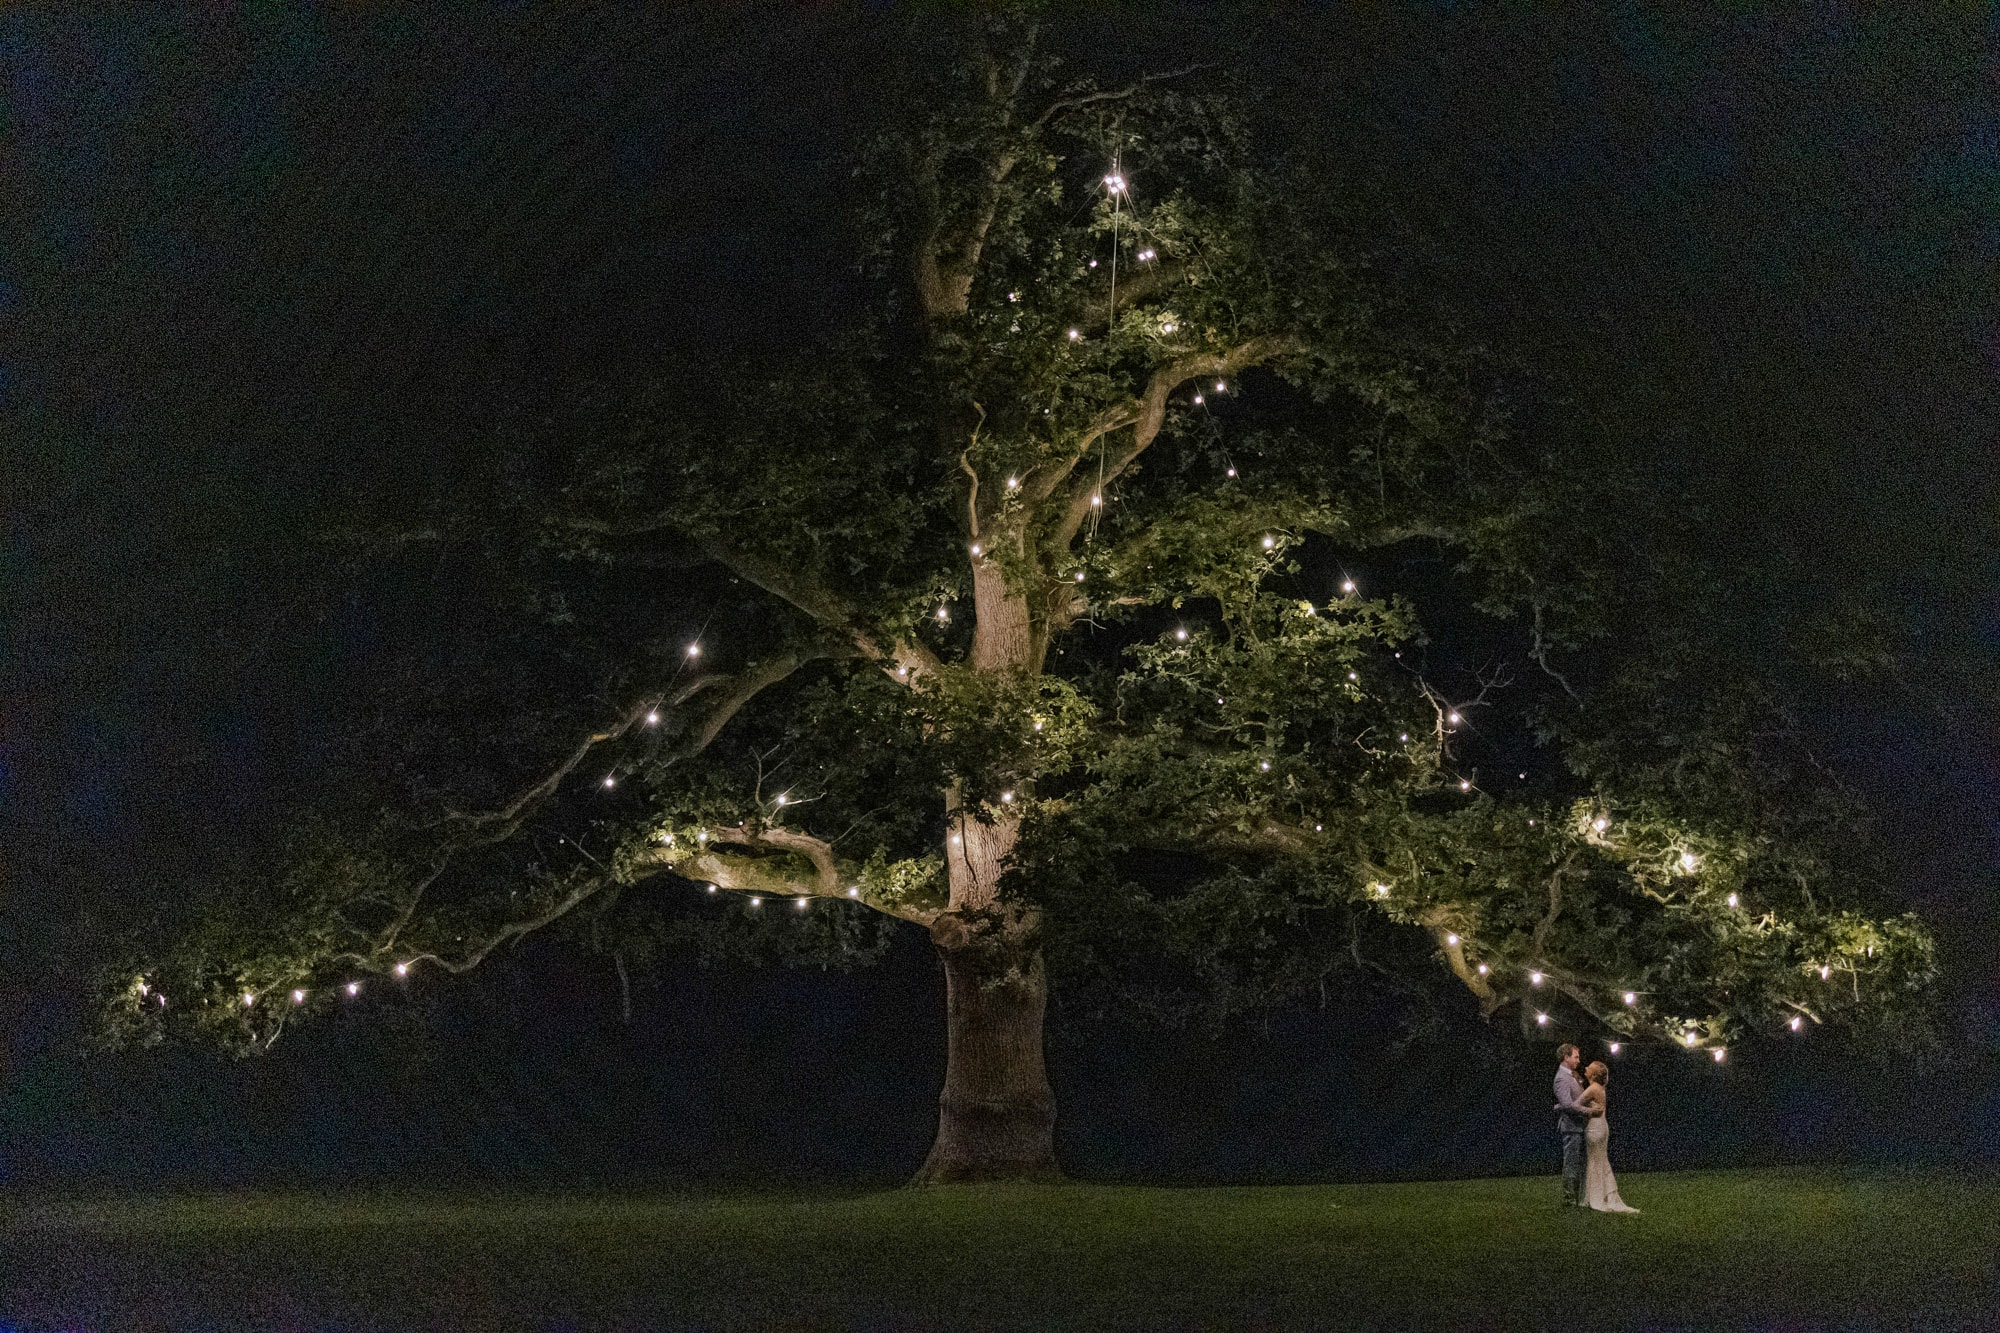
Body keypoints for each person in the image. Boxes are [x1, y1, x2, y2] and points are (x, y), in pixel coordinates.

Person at [1577, 1060, 1639, 1212]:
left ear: (1594, 1074)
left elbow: (1576, 1105)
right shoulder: (1599, 1088)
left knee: (1595, 1161)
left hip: (1594, 1128)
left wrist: (1560, 1107)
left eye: (1589, 1068)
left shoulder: (1593, 1089)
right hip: (1601, 1126)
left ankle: (1596, 1197)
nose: (1585, 1068)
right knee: (1599, 1160)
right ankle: (1602, 1195)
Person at [1552, 1043, 1590, 1207]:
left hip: (1579, 1126)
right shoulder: (1562, 1078)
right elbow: (1567, 1104)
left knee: (1580, 1163)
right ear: (1566, 1057)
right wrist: (1588, 1111)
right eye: (1575, 1057)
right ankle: (1569, 1198)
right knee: (1571, 1163)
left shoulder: (1573, 1075)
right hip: (1571, 1127)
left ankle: (1579, 1196)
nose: (1578, 1060)